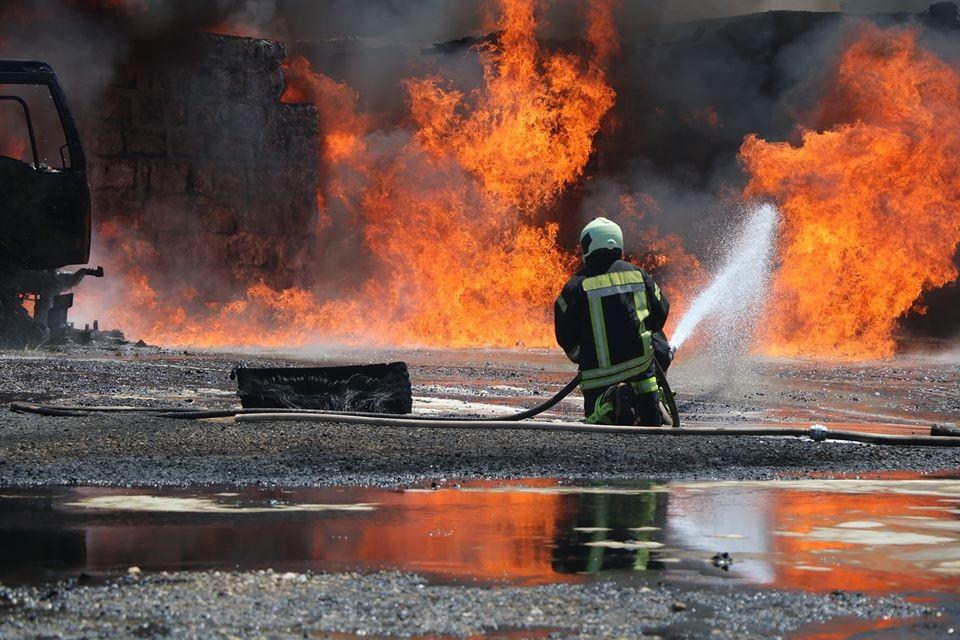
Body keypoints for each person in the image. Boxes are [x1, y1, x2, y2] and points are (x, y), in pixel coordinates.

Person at [554, 217, 671, 426]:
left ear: (587, 247)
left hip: (599, 376)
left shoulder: (576, 286)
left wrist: (582, 356)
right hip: (641, 369)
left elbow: (564, 333)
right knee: (658, 340)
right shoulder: (638, 275)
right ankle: (652, 402)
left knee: (596, 413)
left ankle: (610, 402)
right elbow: (661, 312)